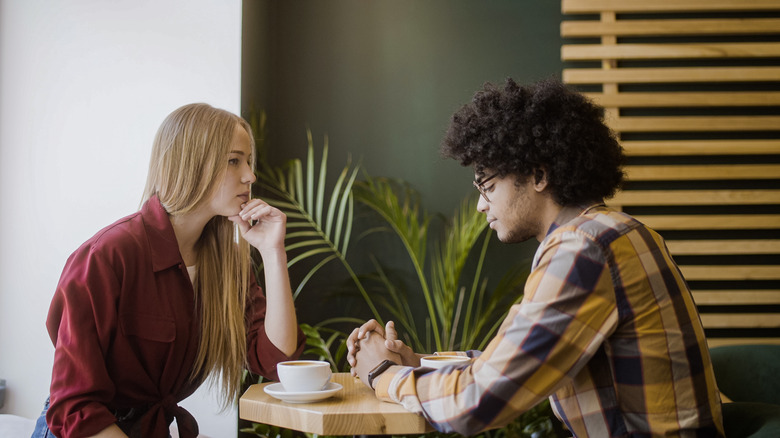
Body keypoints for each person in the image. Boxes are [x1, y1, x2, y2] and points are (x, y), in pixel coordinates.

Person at [347, 78, 725, 437]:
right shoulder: (619, 231)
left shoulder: (584, 249)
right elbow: (519, 359)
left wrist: (382, 373)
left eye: (489, 186)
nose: (480, 205)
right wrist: (417, 364)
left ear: (539, 175)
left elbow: (477, 403)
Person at [33, 103, 305, 438]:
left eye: (248, 161)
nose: (250, 175)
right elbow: (75, 407)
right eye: (235, 160)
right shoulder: (107, 255)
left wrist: (273, 252)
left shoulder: (227, 265)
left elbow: (276, 361)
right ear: (192, 164)